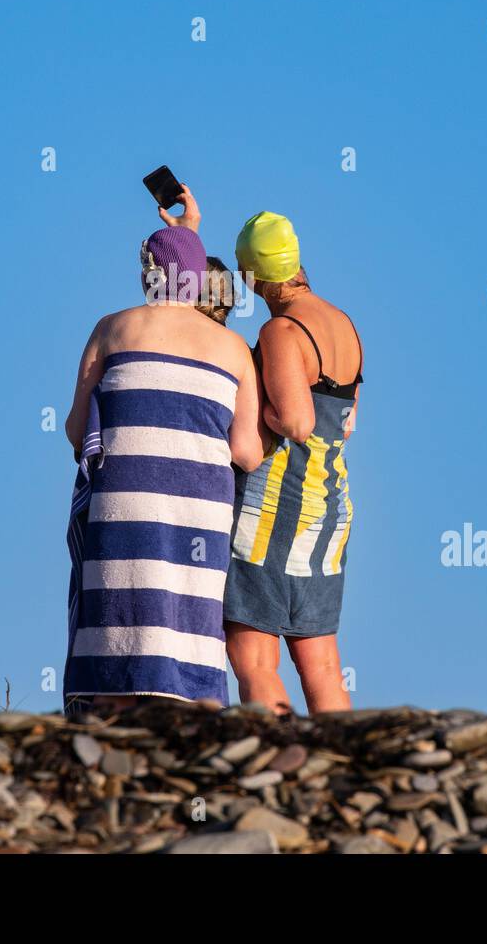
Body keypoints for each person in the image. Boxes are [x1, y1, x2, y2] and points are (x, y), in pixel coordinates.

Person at [159, 193, 364, 715]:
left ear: (252, 277)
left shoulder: (281, 330)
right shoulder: (344, 325)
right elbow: (346, 423)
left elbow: (296, 420)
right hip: (327, 509)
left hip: (274, 510)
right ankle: (342, 764)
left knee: (253, 657)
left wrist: (265, 412)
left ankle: (282, 767)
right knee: (320, 662)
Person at [62, 224, 263, 713]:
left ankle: (113, 722)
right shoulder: (232, 349)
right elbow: (247, 452)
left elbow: (75, 430)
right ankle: (194, 719)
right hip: (199, 507)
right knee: (190, 614)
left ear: (150, 273)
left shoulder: (113, 328)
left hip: (125, 499)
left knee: (123, 612)